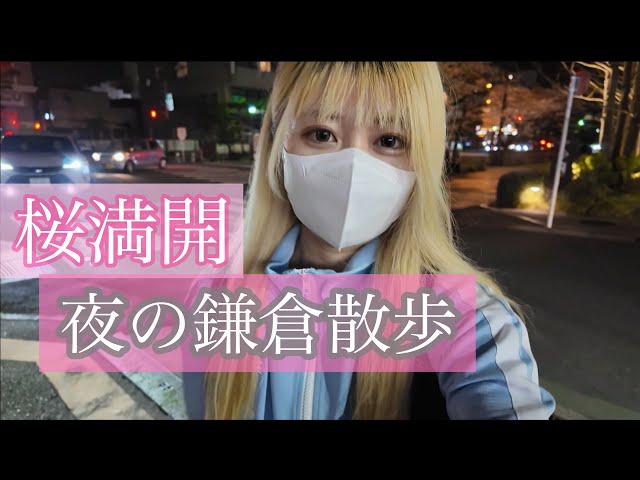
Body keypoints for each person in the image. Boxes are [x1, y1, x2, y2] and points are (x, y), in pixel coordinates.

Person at [183, 62, 556, 420]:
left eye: (389, 140)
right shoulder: (216, 296)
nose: (353, 167)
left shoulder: (463, 315)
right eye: (322, 134)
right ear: (278, 144)